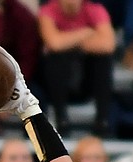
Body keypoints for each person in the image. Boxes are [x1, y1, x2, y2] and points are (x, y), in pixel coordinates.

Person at [37, 0, 116, 135]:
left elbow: (108, 45)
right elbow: (54, 43)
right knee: (56, 58)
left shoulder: (95, 10)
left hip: (86, 78)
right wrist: (84, 33)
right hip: (56, 83)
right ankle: (61, 119)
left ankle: (102, 120)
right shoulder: (48, 11)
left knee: (103, 60)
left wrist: (69, 44)